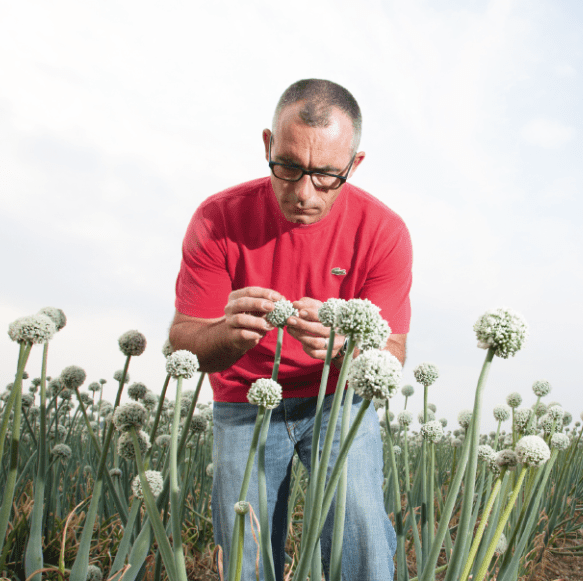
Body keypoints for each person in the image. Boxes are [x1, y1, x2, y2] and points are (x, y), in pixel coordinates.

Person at [169, 79, 409, 581]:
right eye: (288, 168)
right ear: (267, 145)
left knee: (359, 524)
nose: (303, 192)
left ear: (354, 165)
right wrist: (227, 335)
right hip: (244, 400)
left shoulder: (383, 231)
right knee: (244, 550)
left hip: (335, 398)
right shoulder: (218, 220)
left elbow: (392, 352)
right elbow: (185, 338)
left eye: (325, 176)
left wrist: (345, 349)